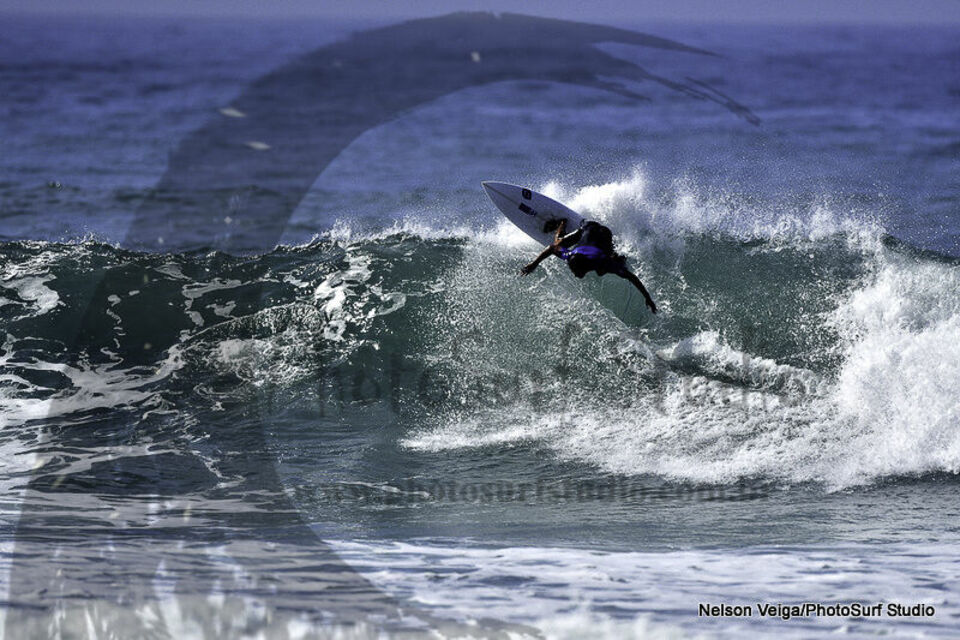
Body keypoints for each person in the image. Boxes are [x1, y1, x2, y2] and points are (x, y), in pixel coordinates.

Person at [520, 219, 657, 314]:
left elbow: (632, 277)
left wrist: (648, 298)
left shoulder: (601, 262)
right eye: (573, 270)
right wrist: (534, 264)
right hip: (587, 227)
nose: (574, 274)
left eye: (575, 271)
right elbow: (552, 248)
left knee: (607, 268)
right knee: (558, 242)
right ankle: (561, 224)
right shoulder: (570, 256)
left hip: (604, 234)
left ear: (585, 267)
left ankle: (617, 257)